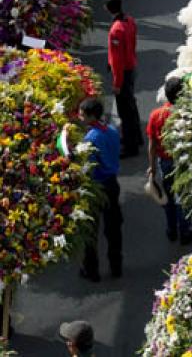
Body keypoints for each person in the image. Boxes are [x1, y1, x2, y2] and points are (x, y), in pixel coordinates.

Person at [147, 76, 192, 244]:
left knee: (168, 196)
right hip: (183, 161)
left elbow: (152, 145)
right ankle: (185, 231)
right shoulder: (188, 115)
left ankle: (171, 229)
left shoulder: (156, 115)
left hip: (165, 162)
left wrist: (152, 168)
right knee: (183, 197)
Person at [79, 98, 122, 281]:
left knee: (91, 229)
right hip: (112, 183)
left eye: (82, 114)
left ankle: (92, 270)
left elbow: (87, 165)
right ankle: (116, 266)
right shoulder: (111, 131)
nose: (80, 117)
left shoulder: (91, 138)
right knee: (113, 228)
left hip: (97, 185)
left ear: (90, 116)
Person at [105, 0, 142, 158]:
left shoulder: (115, 30)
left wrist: (116, 84)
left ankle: (130, 145)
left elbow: (117, 60)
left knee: (124, 112)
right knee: (131, 106)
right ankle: (137, 136)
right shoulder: (130, 20)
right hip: (131, 66)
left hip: (123, 72)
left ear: (107, 8)